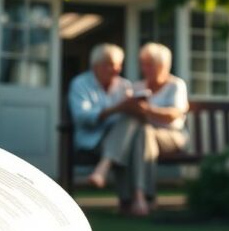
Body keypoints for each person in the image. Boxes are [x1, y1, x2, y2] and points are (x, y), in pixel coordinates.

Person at [99, 42, 189, 216]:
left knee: (140, 135)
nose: (145, 69)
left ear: (163, 66)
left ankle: (135, 198)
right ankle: (139, 199)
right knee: (139, 136)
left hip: (173, 135)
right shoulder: (139, 86)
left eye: (149, 64)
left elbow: (174, 114)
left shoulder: (176, 85)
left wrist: (147, 110)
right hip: (144, 135)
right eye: (143, 64)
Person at [66, 43, 134, 188]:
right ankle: (137, 199)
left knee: (133, 126)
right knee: (132, 142)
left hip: (121, 138)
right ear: (96, 65)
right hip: (92, 140)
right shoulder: (80, 84)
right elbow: (82, 118)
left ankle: (104, 167)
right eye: (110, 65)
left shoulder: (125, 85)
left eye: (119, 65)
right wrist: (117, 109)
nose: (116, 70)